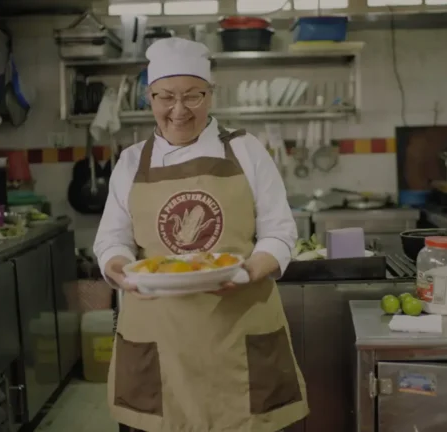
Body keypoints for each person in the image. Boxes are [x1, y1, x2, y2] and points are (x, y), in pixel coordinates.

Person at [93, 37, 309, 432]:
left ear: (210, 95)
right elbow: (111, 240)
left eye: (193, 96)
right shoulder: (131, 161)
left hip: (238, 332)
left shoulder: (246, 150)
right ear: (150, 97)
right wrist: (120, 269)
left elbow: (280, 232)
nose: (178, 110)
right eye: (165, 97)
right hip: (158, 335)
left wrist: (248, 271)